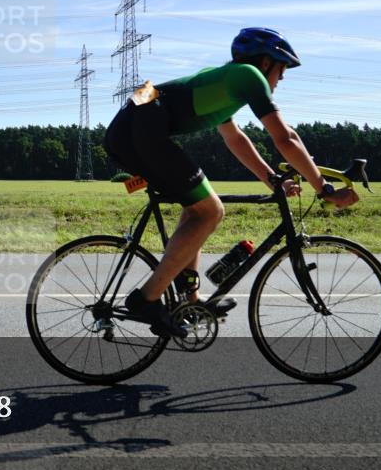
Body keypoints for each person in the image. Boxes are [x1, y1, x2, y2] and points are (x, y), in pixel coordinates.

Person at [103, 27, 358, 337]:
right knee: (211, 211)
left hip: (137, 115)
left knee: (196, 209)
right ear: (266, 62)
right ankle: (147, 298)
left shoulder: (227, 78)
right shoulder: (249, 76)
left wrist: (272, 180)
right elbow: (285, 137)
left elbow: (234, 138)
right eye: (282, 68)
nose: (282, 78)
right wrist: (324, 188)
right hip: (142, 122)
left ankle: (190, 300)